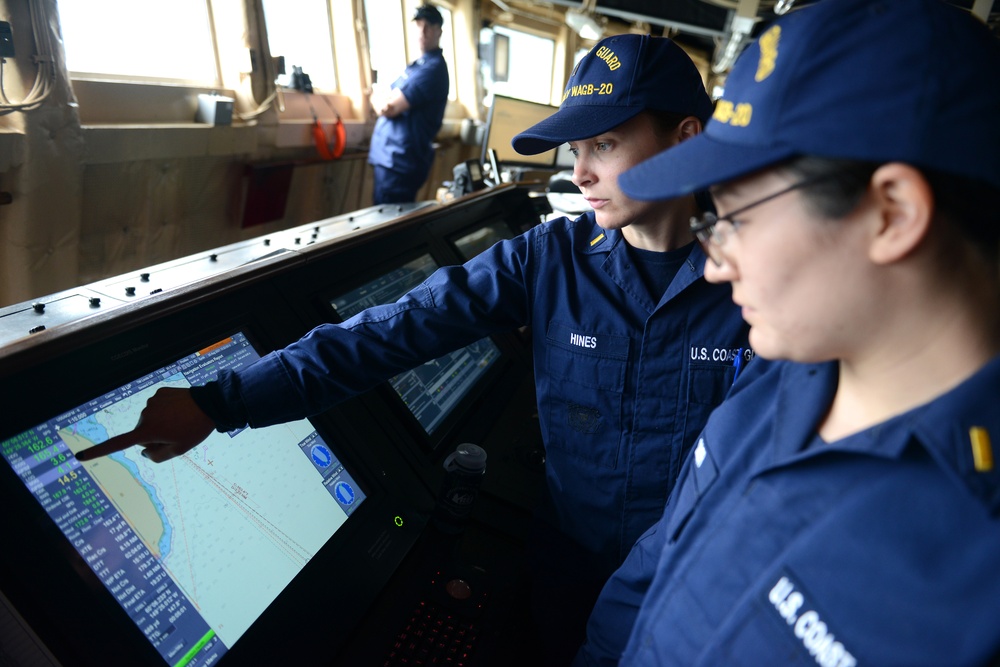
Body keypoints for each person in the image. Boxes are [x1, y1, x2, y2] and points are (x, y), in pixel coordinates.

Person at [76, 33, 750, 663]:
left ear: (685, 142)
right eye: (575, 151)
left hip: (692, 588)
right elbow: (390, 331)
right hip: (565, 569)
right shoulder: (548, 260)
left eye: (603, 143)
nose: (580, 174)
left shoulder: (756, 291)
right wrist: (222, 399)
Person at [574, 0, 1000, 665]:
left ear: (892, 212)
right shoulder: (773, 380)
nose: (713, 260)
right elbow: (654, 572)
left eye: (734, 217)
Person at [367, 4, 450, 204]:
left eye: (428, 26)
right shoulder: (417, 66)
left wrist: (374, 96)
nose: (422, 31)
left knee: (388, 225)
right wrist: (380, 96)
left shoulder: (432, 69)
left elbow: (388, 108)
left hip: (400, 163)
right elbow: (387, 96)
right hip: (391, 159)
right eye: (419, 25)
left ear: (438, 30)